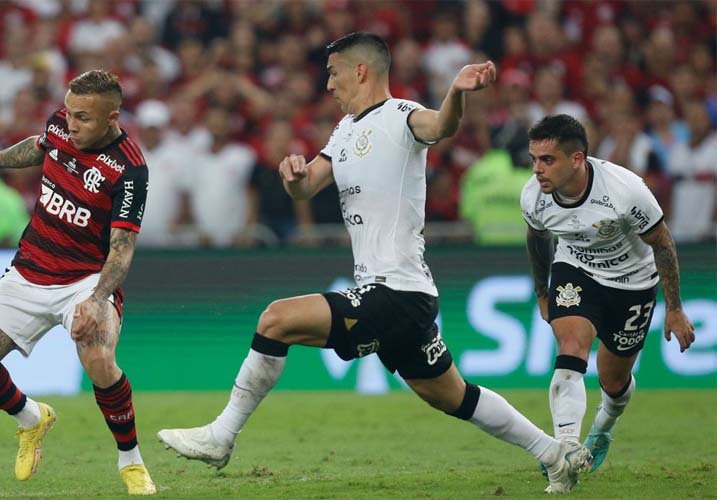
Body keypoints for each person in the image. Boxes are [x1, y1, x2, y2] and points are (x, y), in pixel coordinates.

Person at [157, 32, 591, 494]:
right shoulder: (344, 130)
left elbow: (441, 126)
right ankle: (554, 454)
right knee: (452, 395)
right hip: (403, 295)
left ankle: (222, 436)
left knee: (275, 319)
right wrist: (294, 179)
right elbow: (307, 189)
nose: (328, 84)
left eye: (333, 72)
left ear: (360, 70)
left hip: (395, 291)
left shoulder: (401, 116)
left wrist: (456, 93)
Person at [0, 70, 156, 495]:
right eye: (69, 113)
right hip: (29, 270)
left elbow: (121, 249)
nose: (71, 124)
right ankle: (31, 418)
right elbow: (39, 148)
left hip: (86, 280)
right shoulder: (61, 123)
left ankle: (130, 461)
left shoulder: (130, 169)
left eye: (84, 118)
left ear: (112, 116)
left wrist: (97, 300)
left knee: (98, 358)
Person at [520, 114, 695, 474]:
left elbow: (662, 243)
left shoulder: (625, 191)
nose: (538, 170)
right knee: (570, 348)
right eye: (534, 159)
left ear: (577, 159)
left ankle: (602, 429)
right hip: (575, 270)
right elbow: (537, 239)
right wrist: (542, 291)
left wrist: (674, 308)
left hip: (633, 283)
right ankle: (565, 448)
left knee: (613, 382)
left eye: (547, 160)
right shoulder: (533, 197)